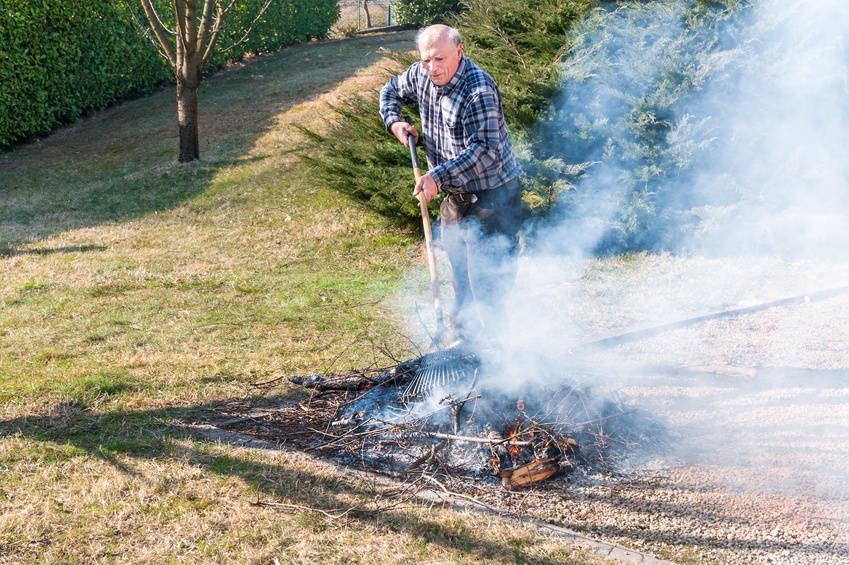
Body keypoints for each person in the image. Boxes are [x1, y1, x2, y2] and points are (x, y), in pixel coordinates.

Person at [379, 24, 523, 345]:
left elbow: (484, 151)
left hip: (494, 199)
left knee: (488, 286)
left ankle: (502, 367)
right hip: (454, 200)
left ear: (459, 51)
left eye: (439, 59)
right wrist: (395, 122)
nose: (432, 68)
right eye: (426, 60)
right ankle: (464, 349)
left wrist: (437, 177)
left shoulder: (479, 90)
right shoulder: (421, 74)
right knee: (461, 281)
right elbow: (389, 91)